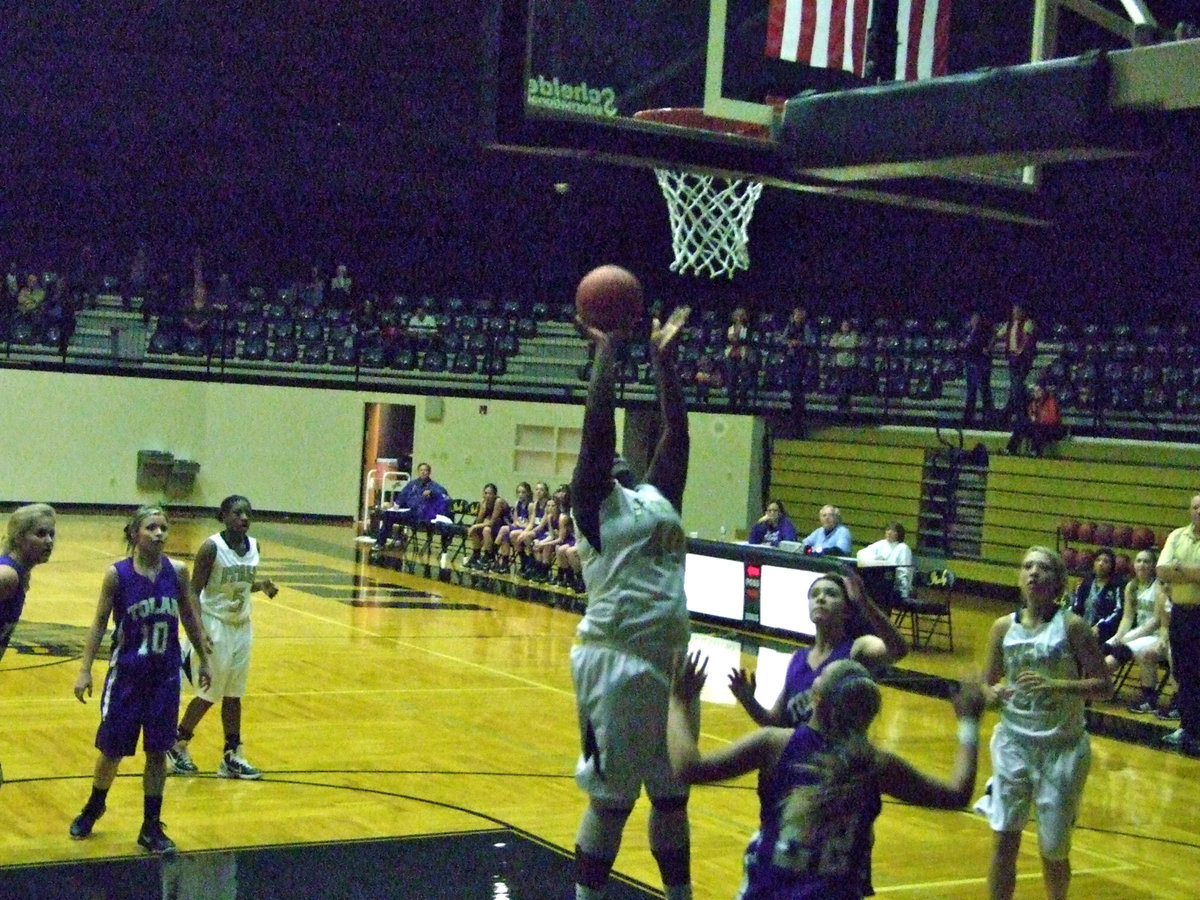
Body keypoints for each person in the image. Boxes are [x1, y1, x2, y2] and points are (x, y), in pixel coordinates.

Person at [668, 652, 984, 900]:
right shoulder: (875, 763)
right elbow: (957, 793)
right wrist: (969, 722)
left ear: (816, 698)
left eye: (819, 677)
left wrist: (678, 703)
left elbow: (688, 768)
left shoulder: (776, 744)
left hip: (770, 892)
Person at [569, 303, 694, 900]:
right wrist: (607, 352)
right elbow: (597, 432)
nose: (613, 456)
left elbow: (679, 436)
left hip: (672, 662)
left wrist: (664, 364)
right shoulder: (593, 505)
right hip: (614, 660)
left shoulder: (655, 496)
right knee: (613, 798)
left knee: (673, 793)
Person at [70, 505, 212, 855]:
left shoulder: (177, 572)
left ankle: (150, 825)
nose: (160, 533)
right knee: (112, 750)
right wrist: (85, 669)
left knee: (157, 751)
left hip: (164, 678)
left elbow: (190, 620)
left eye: (164, 527)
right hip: (127, 677)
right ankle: (95, 804)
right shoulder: (117, 575)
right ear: (136, 533)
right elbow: (99, 623)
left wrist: (204, 658)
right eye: (152, 527)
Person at [981, 546, 1110, 900]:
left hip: (1062, 748)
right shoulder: (1002, 627)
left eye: (1043, 568)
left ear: (1059, 583)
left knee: (1053, 848)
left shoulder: (1073, 627)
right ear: (1019, 577)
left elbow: (1104, 687)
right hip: (1013, 743)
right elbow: (985, 682)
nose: (1034, 572)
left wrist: (1058, 685)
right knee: (1004, 837)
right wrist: (991, 694)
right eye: (1027, 566)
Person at [166, 495, 278, 779]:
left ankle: (232, 755)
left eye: (248, 513)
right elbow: (193, 590)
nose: (244, 518)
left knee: (234, 694)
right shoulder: (211, 548)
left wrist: (260, 585)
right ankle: (177, 744)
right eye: (238, 513)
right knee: (209, 693)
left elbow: (237, 581)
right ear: (224, 516)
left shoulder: (254, 546)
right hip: (214, 625)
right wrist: (198, 630)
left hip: (242, 626)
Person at [729, 572, 907, 728]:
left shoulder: (857, 648)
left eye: (831, 594)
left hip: (833, 758)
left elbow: (898, 650)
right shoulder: (798, 658)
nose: (820, 598)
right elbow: (774, 721)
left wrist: (865, 604)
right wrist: (748, 701)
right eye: (814, 595)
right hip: (797, 754)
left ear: (847, 610)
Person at [1, 503, 56, 791]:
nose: (49, 541)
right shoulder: (8, 576)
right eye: (40, 534)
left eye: (51, 534)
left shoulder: (20, 573)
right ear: (20, 538)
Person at [1155, 494, 1200, 756]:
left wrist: (1179, 568)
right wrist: (1190, 571)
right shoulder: (1176, 536)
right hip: (1182, 615)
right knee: (1183, 673)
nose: (1199, 511)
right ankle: (1188, 727)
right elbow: (1161, 571)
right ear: (1189, 511)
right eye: (1195, 507)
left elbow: (1174, 570)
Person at [1103, 549, 1167, 713]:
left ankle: (1149, 700)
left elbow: (1157, 620)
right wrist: (1119, 635)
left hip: (1155, 634)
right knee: (1104, 648)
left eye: (1146, 561)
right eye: (1139, 561)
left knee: (1111, 661)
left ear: (1153, 565)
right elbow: (1128, 618)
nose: (1142, 564)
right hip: (1138, 633)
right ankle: (1097, 689)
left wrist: (1131, 637)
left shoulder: (1159, 585)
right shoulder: (1131, 586)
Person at [373, 462, 451, 552]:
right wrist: (396, 504)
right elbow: (402, 495)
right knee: (388, 515)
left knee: (410, 513)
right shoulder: (412, 484)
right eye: (421, 470)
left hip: (422, 515)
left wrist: (432, 493)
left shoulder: (434, 486)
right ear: (418, 472)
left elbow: (444, 496)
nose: (423, 472)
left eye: (425, 470)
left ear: (429, 472)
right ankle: (380, 542)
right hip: (409, 513)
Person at [1068, 546, 1123, 646]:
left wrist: (1100, 627)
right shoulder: (1085, 583)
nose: (1101, 564)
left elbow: (1118, 613)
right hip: (1083, 627)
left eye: (1106, 562)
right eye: (1098, 560)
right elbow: (1076, 606)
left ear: (1112, 566)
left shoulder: (1117, 587)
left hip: (1104, 630)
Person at [856, 521, 915, 601]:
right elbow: (861, 553)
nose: (889, 532)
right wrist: (876, 558)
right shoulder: (881, 544)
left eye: (893, 531)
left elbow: (904, 571)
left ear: (899, 534)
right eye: (888, 529)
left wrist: (903, 591)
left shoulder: (903, 548)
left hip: (895, 588)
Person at [998, 302, 1036, 423]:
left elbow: (1026, 337)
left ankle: (1011, 413)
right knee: (1016, 386)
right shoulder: (1009, 324)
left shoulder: (1027, 323)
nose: (1015, 313)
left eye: (1017, 311)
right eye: (1014, 311)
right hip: (1012, 356)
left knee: (1017, 384)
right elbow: (999, 334)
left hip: (1023, 358)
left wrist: (1021, 349)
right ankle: (1013, 412)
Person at [782, 305, 816, 434]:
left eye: (799, 315)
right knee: (792, 383)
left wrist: (799, 343)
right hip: (790, 358)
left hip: (801, 359)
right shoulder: (789, 326)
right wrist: (789, 342)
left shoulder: (805, 327)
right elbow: (783, 339)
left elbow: (809, 342)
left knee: (797, 385)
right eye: (796, 314)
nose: (797, 317)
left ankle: (798, 409)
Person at [1005, 382, 1063, 457]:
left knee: (1039, 429)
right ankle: (1010, 449)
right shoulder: (1033, 403)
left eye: (1038, 391)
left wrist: (1037, 421)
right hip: (1038, 426)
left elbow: (1051, 419)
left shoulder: (1050, 402)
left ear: (1043, 392)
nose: (1035, 393)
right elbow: (1031, 415)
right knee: (1021, 426)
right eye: (1034, 391)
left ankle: (1035, 451)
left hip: (1052, 428)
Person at [465, 483, 510, 571]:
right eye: (485, 493)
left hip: (503, 527)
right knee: (473, 530)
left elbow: (492, 522)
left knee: (485, 530)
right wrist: (482, 508)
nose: (487, 496)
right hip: (493, 527)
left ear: (495, 494)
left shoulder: (498, 501)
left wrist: (476, 526)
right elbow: (479, 521)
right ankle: (476, 555)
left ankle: (489, 556)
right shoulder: (483, 502)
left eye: (490, 493)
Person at [962, 310, 995, 427]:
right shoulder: (967, 332)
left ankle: (989, 416)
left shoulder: (982, 332)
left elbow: (980, 347)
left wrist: (970, 346)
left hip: (980, 364)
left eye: (976, 319)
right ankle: (969, 416)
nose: (974, 321)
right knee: (971, 391)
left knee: (984, 390)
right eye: (972, 319)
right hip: (971, 363)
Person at [494, 481, 533, 574]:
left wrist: (521, 525)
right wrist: (519, 524)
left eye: (523, 492)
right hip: (519, 526)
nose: (520, 494)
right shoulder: (517, 504)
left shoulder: (531, 505)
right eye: (519, 492)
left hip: (526, 529)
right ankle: (503, 561)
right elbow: (515, 521)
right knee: (504, 533)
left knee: (508, 532)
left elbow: (531, 523)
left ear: (528, 493)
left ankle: (492, 555)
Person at [724, 306, 752, 410]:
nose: (739, 317)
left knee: (745, 379)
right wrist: (735, 339)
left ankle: (743, 398)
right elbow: (727, 340)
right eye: (738, 315)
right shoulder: (730, 328)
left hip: (742, 356)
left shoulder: (748, 328)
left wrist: (736, 339)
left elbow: (746, 341)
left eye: (741, 315)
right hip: (731, 355)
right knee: (731, 379)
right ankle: (732, 401)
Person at [829, 319, 861, 408]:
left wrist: (841, 345)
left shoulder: (854, 335)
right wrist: (843, 345)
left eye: (847, 325)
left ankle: (846, 404)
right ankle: (840, 404)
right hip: (839, 364)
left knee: (847, 385)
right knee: (840, 384)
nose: (845, 327)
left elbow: (853, 344)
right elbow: (832, 344)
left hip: (850, 364)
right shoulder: (836, 335)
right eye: (844, 325)